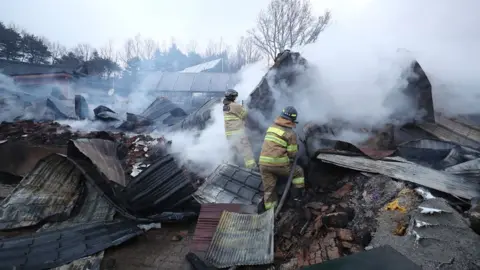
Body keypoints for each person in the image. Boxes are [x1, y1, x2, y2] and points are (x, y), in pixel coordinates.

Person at [258, 106, 305, 210]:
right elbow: (292, 154)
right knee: (298, 172)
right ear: (292, 120)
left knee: (269, 190)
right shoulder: (290, 133)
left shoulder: (271, 128)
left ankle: (270, 211)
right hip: (278, 165)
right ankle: (297, 198)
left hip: (263, 165)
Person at [222, 89, 257, 169]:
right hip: (237, 133)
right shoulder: (235, 105)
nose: (236, 98)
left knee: (234, 151)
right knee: (246, 150)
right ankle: (252, 167)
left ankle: (231, 167)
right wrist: (243, 107)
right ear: (233, 97)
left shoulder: (225, 106)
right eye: (235, 96)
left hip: (229, 134)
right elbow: (244, 114)